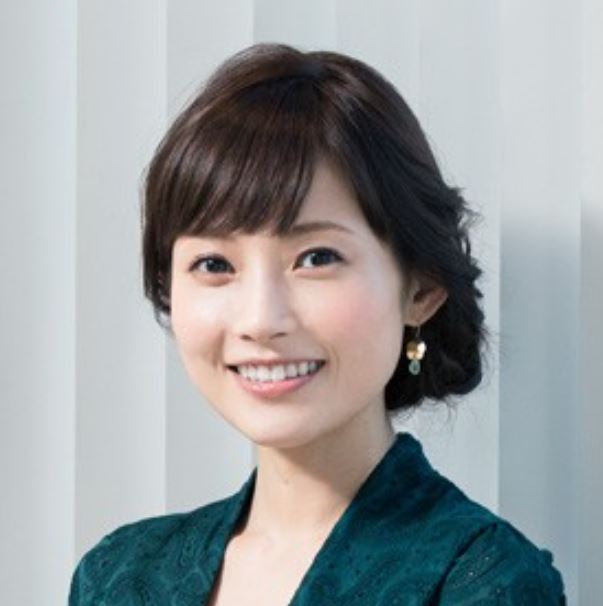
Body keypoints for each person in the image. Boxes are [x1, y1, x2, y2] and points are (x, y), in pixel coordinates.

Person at [68, 42, 566, 605]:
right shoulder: (117, 576)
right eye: (214, 265)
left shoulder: (485, 581)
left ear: (421, 289)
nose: (260, 320)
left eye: (317, 258)